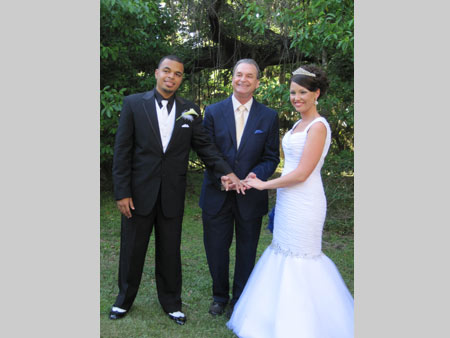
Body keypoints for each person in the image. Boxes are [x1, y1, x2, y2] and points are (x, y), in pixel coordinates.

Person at [109, 55, 244, 325]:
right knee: (132, 250)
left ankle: (172, 303)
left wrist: (227, 172)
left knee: (170, 251)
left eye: (178, 74)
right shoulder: (134, 104)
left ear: (182, 79)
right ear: (156, 72)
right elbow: (122, 152)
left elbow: (205, 147)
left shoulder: (190, 110)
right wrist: (122, 192)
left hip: (172, 193)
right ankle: (123, 301)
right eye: (167, 71)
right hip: (137, 195)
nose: (171, 76)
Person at [226, 65, 354, 337]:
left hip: (305, 202)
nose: (296, 98)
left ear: (317, 93)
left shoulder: (319, 126)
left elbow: (303, 173)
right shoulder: (298, 124)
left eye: (303, 92)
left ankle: (305, 325)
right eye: (293, 92)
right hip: (287, 202)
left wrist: (264, 184)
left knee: (302, 257)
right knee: (281, 250)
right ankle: (272, 318)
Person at [199, 59, 280, 318]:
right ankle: (219, 296)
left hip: (251, 196)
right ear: (231, 78)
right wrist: (224, 175)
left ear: (257, 82)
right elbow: (207, 150)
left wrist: (257, 176)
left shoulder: (268, 116)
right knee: (216, 249)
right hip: (217, 193)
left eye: (249, 76)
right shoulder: (212, 111)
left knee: (247, 250)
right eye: (238, 74)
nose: (243, 79)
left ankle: (241, 298)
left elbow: (271, 157)